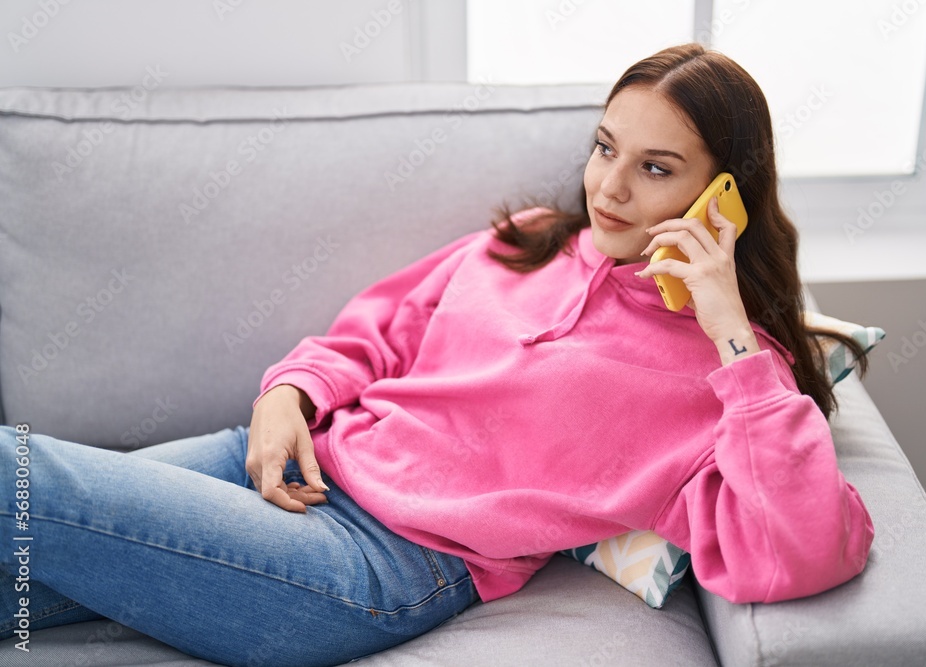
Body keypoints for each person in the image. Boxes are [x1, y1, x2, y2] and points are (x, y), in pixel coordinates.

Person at [0, 43, 874, 666]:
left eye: (656, 168)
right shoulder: (530, 239)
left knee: (21, 476)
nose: (607, 186)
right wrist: (288, 395)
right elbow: (374, 333)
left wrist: (726, 326)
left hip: (368, 568)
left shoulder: (729, 372)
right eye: (605, 147)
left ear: (725, 195)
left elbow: (800, 548)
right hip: (279, 457)